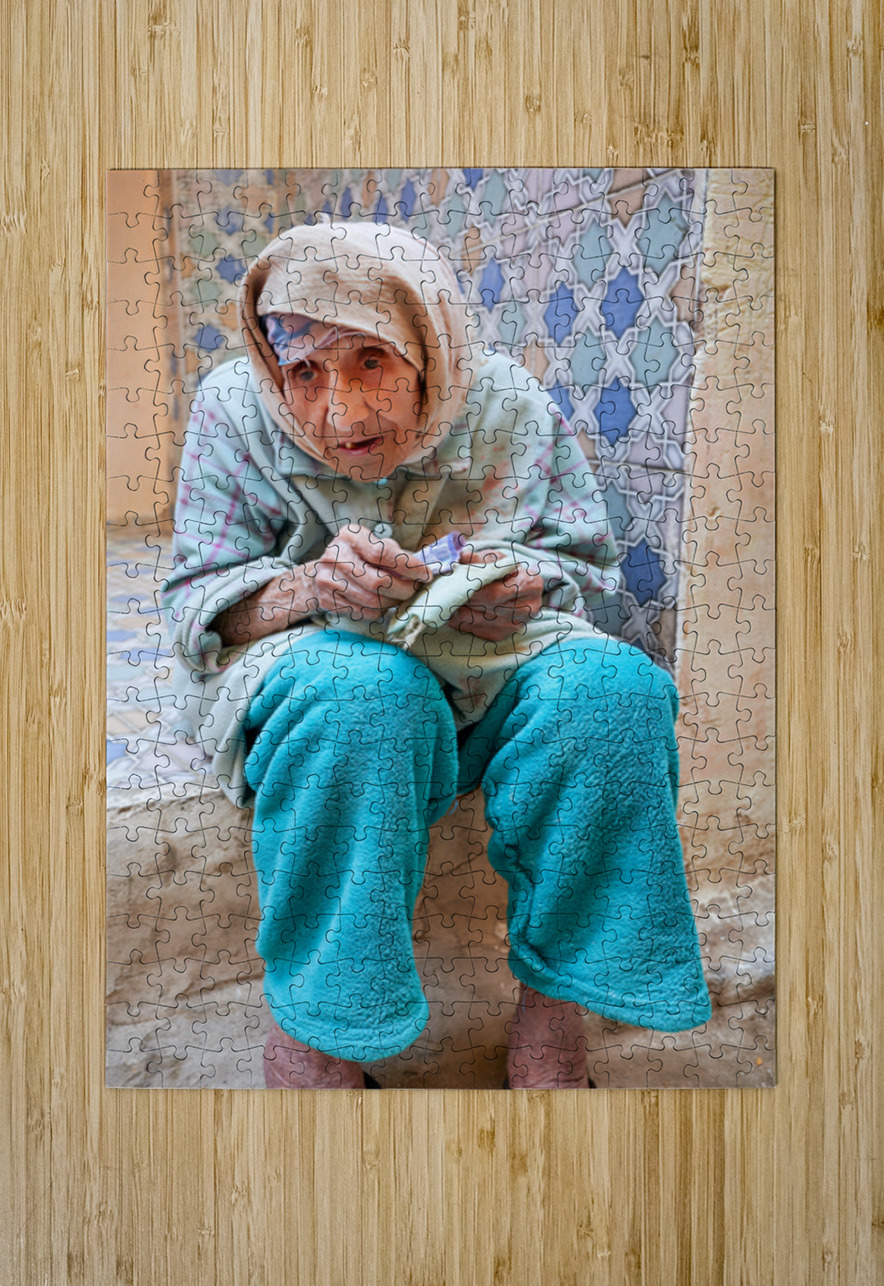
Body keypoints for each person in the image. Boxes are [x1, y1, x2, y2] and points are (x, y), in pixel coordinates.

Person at [162, 220, 711, 1089]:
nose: (338, 412)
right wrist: (309, 590)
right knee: (369, 693)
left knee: (611, 691)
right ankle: (318, 1033)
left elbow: (576, 562)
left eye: (370, 363)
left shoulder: (509, 406)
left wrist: (518, 584)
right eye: (305, 373)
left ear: (428, 343)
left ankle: (552, 1017)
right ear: (274, 369)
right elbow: (197, 603)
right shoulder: (235, 409)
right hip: (325, 675)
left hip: (487, 667)